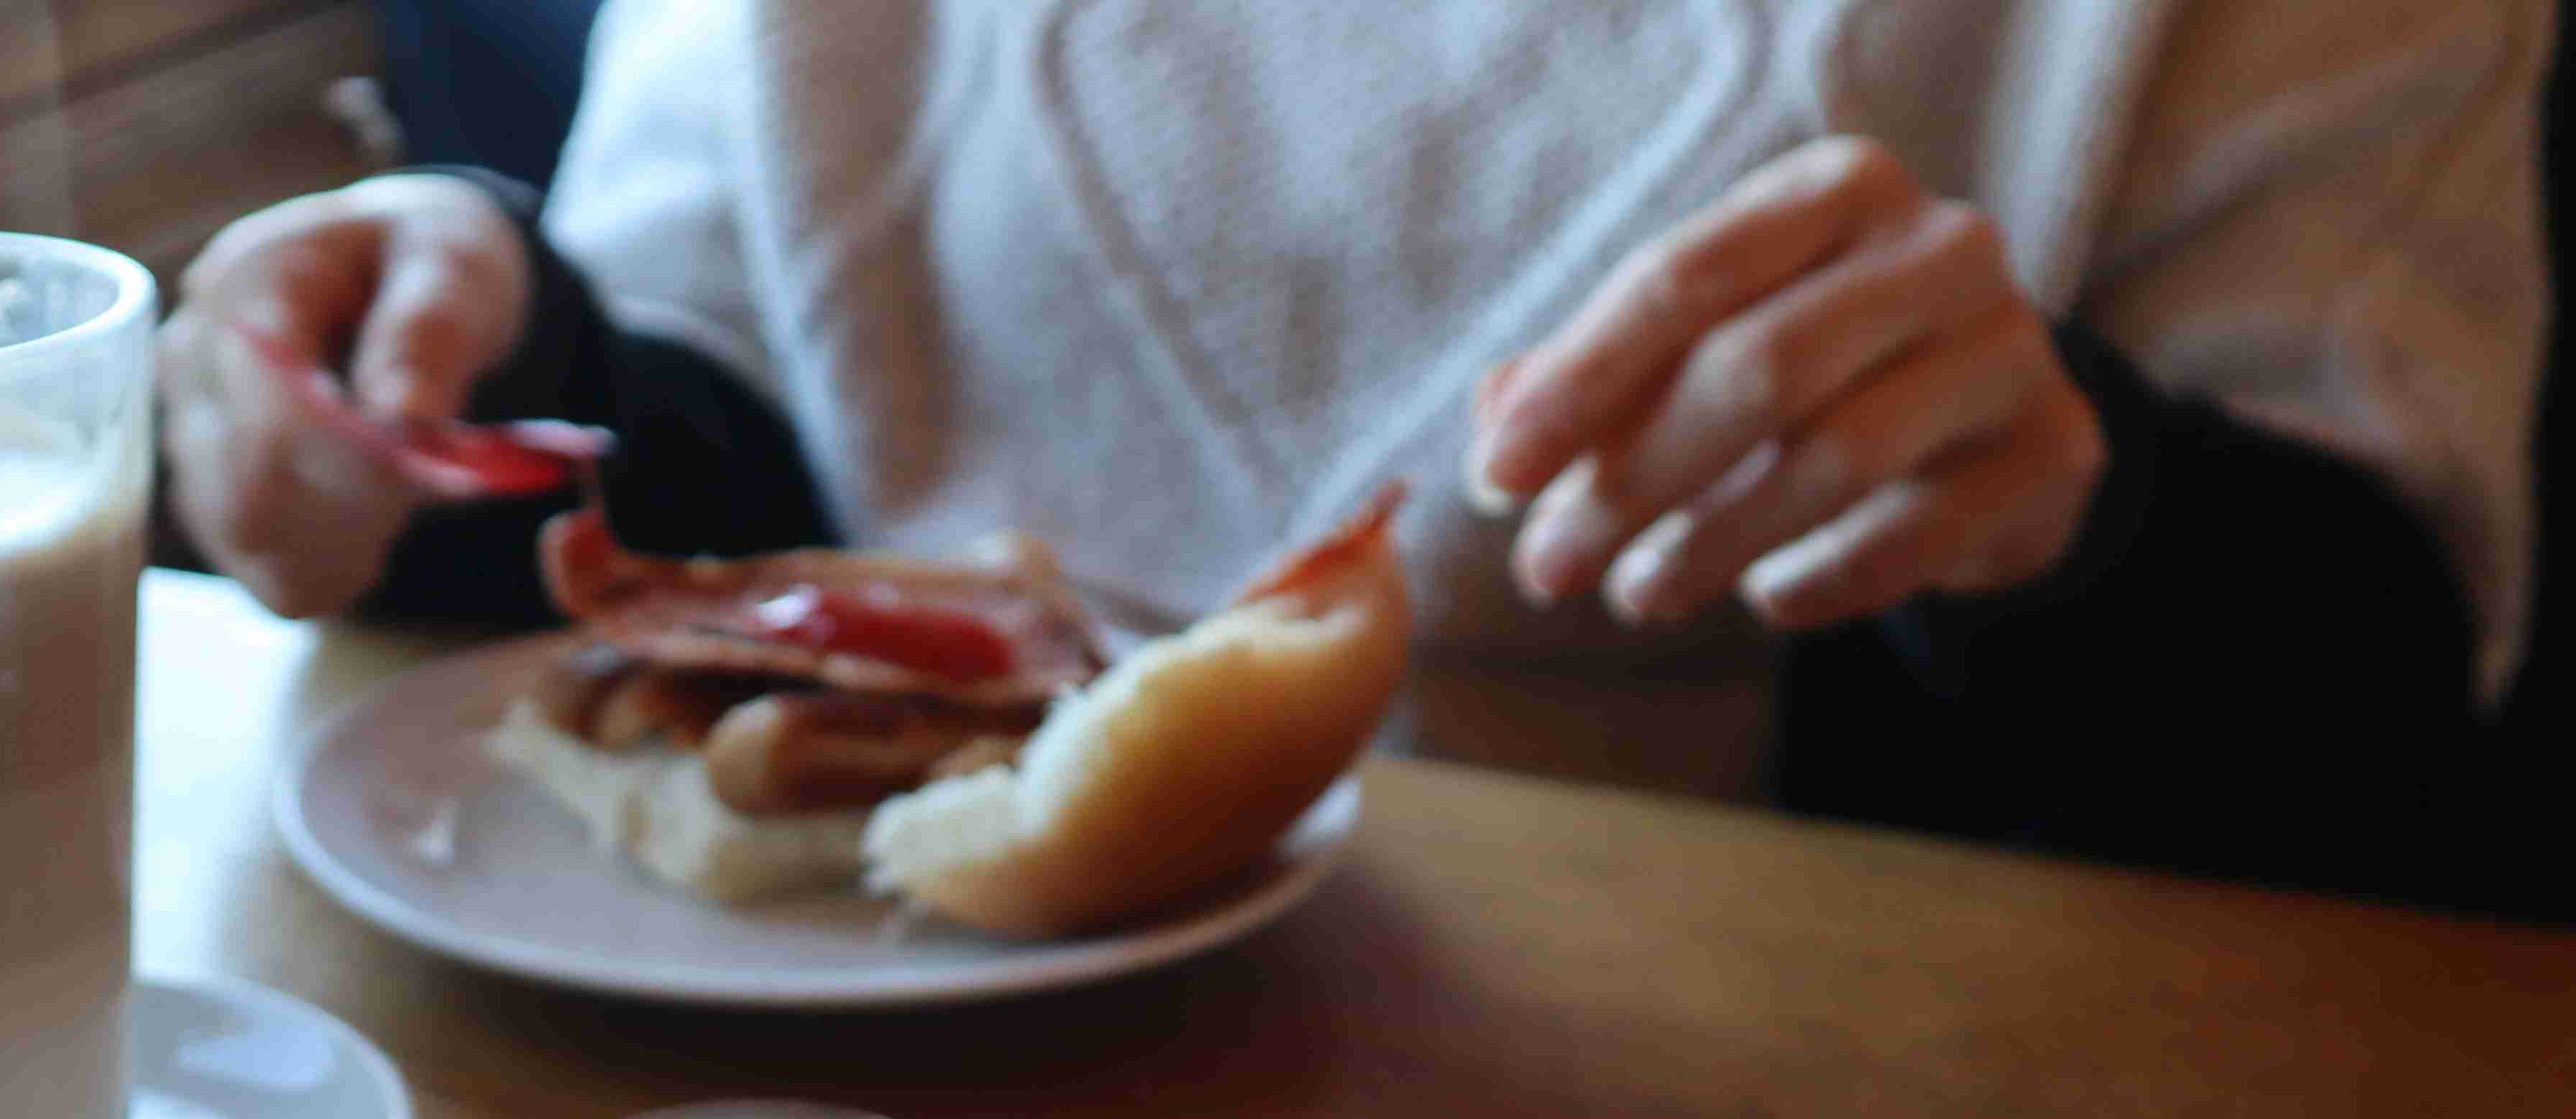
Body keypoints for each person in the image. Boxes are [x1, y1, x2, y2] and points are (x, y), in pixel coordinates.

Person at [160, 0, 2552, 904]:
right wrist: (438, 345)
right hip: (876, 1115)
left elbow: (2364, 751)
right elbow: (704, 462)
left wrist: (2075, 510)